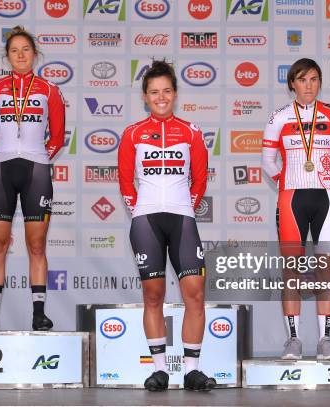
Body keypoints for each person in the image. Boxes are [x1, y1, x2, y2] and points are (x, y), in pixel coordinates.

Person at [118, 60, 215, 391]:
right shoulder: (132, 133)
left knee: (195, 294)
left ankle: (192, 370)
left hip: (182, 219)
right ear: (145, 97)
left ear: (175, 94)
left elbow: (199, 178)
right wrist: (138, 211)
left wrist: (184, 205)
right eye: (154, 92)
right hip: (146, 219)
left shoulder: (191, 131)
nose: (161, 98)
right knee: (153, 295)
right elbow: (125, 182)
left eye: (167, 91)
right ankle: (159, 370)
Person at [0, 26, 65, 331]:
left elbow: (58, 136)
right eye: (14, 50)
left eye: (26, 49)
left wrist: (39, 156)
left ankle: (39, 313)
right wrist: (1, 154)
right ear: (7, 55)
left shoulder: (50, 89)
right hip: (0, 170)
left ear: (35, 54)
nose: (20, 55)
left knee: (37, 245)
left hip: (36, 171)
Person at [261, 58, 330, 360]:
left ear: (319, 82)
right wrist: (285, 183)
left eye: (313, 79)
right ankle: (293, 340)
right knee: (292, 271)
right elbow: (268, 161)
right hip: (291, 198)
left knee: (326, 268)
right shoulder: (278, 118)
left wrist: (327, 180)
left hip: (327, 197)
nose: (308, 85)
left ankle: (326, 340)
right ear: (292, 84)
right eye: (302, 80)